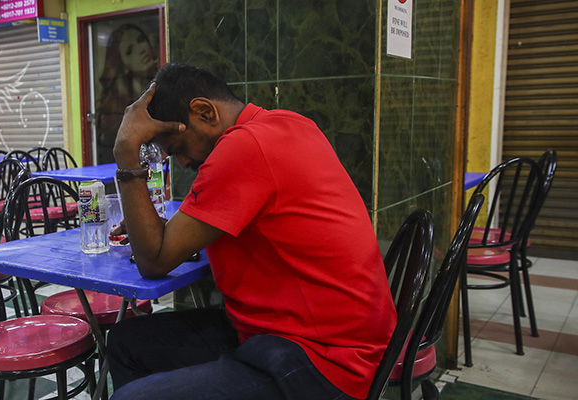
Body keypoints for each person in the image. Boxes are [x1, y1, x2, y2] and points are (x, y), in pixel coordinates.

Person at [107, 63, 396, 400]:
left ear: (204, 111)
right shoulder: (287, 123)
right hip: (320, 336)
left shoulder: (243, 148)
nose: (182, 163)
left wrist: (126, 152)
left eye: (178, 148)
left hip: (325, 361)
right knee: (126, 342)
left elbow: (154, 261)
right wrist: (164, 231)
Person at [95, 24, 159, 165]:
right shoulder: (117, 107)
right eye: (130, 51)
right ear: (123, 65)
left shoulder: (161, 85)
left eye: (141, 40)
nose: (141, 50)